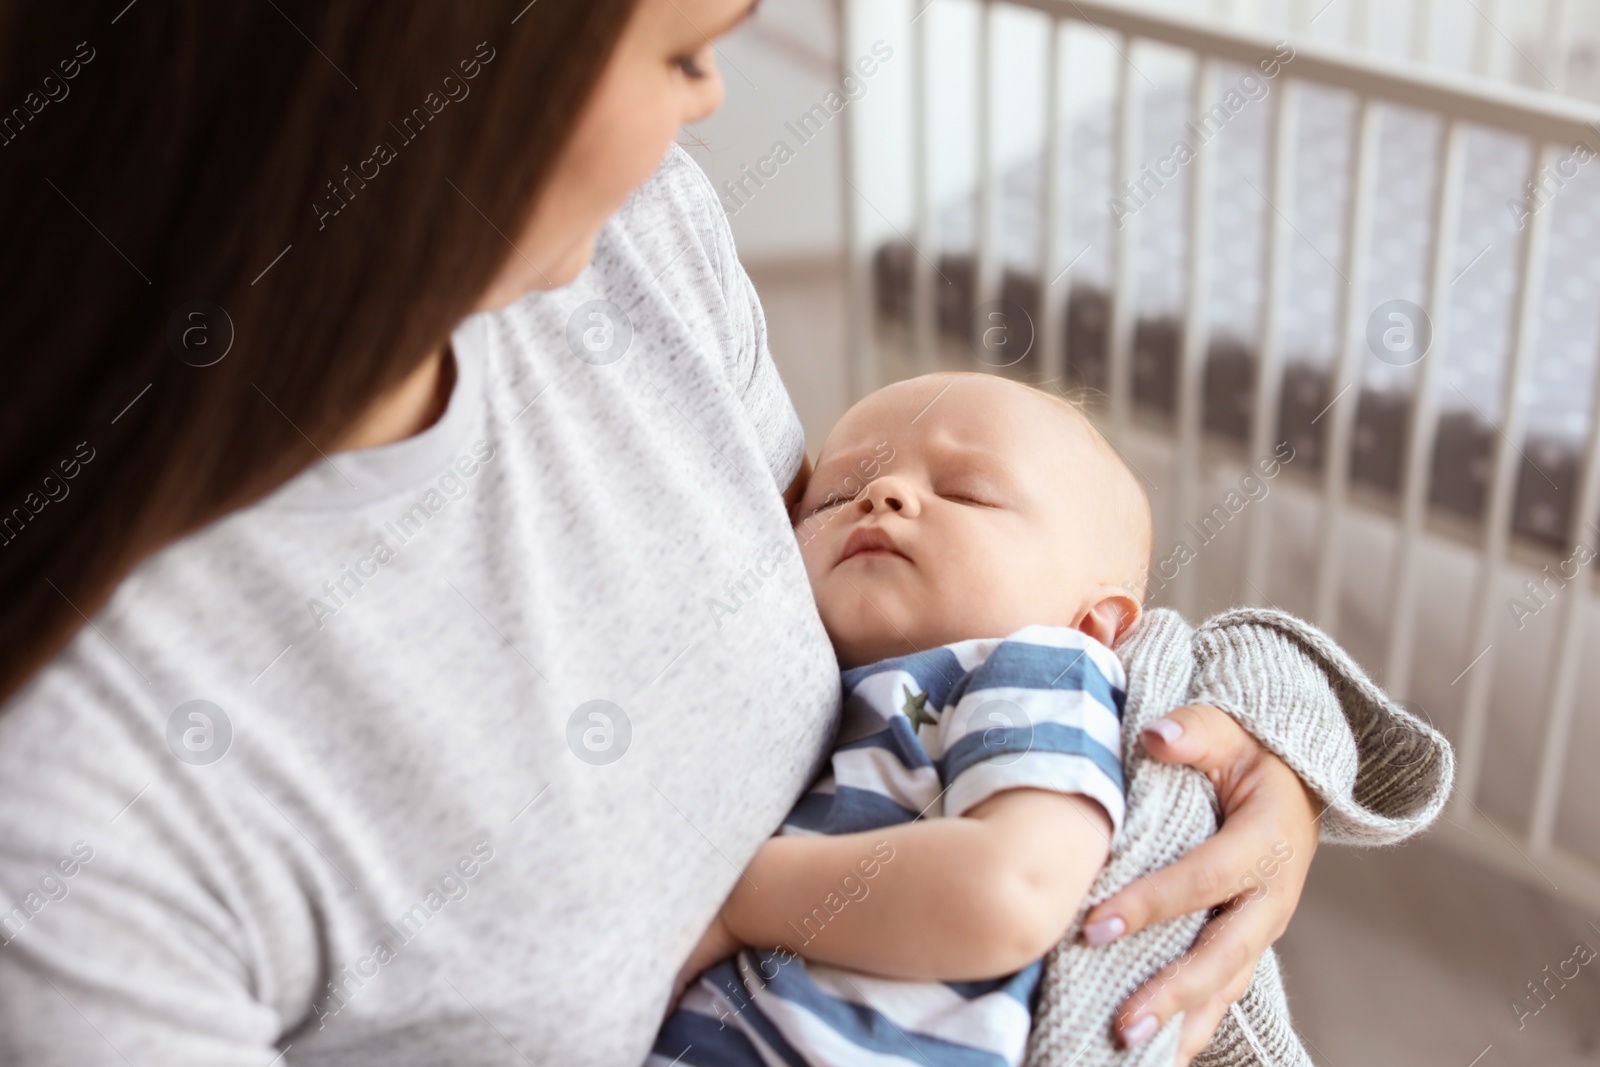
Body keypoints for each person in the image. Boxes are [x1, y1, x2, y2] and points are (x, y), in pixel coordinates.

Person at [0, 3, 1451, 1065]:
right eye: (689, 54)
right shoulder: (76, 811)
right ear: (437, 77)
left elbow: (976, 630)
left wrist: (1232, 740)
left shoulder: (628, 241)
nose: (709, 109)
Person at [654, 372, 1153, 1065]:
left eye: (967, 492)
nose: (881, 496)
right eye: (833, 496)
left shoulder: (1040, 666)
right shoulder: (823, 690)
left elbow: (1012, 888)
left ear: (1093, 621)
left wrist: (742, 899)